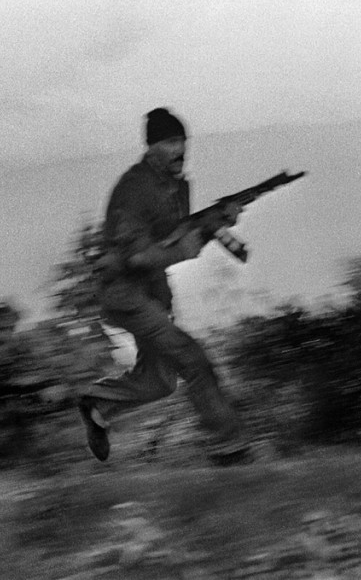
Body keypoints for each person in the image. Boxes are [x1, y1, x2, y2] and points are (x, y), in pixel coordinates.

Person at [78, 107, 250, 465]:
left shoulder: (177, 187)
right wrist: (188, 246)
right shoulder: (133, 189)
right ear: (152, 146)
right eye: (171, 142)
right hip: (124, 295)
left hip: (153, 293)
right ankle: (229, 450)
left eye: (183, 141)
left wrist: (214, 224)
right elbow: (138, 256)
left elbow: (176, 239)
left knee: (160, 383)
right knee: (193, 360)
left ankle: (99, 403)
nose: (180, 149)